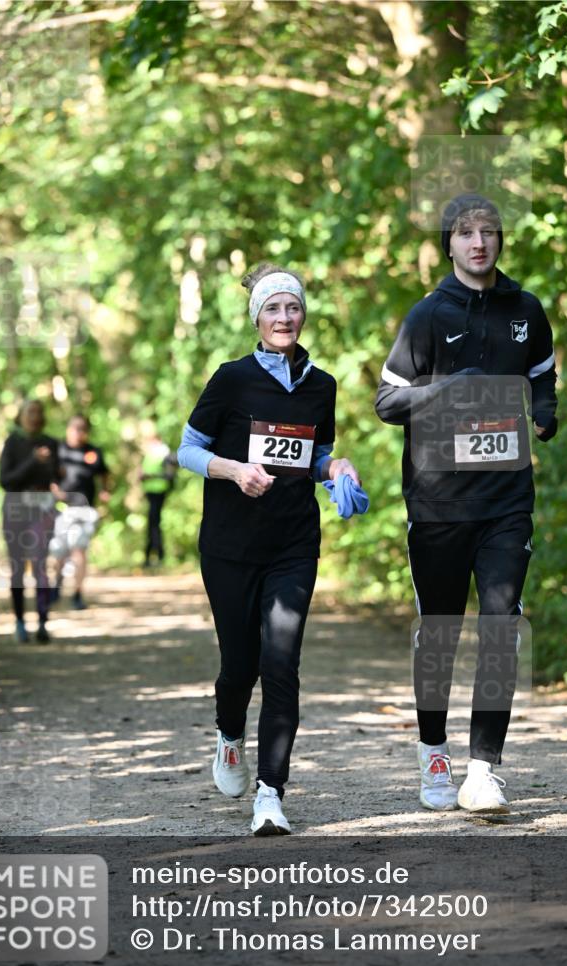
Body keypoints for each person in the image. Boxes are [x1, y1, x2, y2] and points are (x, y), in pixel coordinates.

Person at [375, 193, 558, 814]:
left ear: (500, 241)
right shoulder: (426, 317)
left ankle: (483, 770)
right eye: (465, 233)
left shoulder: (525, 309)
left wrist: (547, 410)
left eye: (488, 232)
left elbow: (541, 366)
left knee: (502, 625)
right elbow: (386, 402)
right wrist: (443, 388)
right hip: (438, 503)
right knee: (441, 635)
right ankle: (434, 753)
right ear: (449, 244)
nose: (478, 243)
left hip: (506, 500)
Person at [178, 262, 361, 836]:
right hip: (231, 546)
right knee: (241, 666)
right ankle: (229, 734)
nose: (284, 317)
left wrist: (338, 469)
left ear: (304, 314)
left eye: (293, 307)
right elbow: (186, 451)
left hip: (293, 544)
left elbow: (316, 456)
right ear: (256, 317)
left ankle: (271, 794)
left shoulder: (321, 385)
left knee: (282, 665)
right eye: (273, 308)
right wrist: (233, 471)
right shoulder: (232, 378)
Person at [0, 399, 61, 643]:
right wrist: (33, 461)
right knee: (17, 568)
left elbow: (56, 477)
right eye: (30, 412)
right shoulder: (12, 443)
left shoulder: (51, 443)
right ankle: (20, 622)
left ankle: (43, 622)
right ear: (20, 416)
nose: (35, 416)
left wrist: (55, 470)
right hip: (15, 512)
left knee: (39, 566)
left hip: (42, 512)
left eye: (38, 412)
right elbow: (5, 480)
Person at [51, 414, 110, 610]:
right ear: (68, 429)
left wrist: (104, 491)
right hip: (62, 509)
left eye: (82, 428)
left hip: (85, 509)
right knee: (59, 551)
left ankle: (77, 593)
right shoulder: (58, 450)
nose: (79, 432)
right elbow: (47, 474)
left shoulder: (93, 452)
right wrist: (54, 490)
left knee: (79, 551)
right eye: (75, 428)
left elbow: (104, 474)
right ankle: (56, 588)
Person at [140, 430, 178, 567]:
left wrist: (150, 476)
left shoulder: (164, 452)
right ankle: (152, 556)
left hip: (159, 492)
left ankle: (156, 556)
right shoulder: (151, 453)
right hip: (151, 492)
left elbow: (169, 474)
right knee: (152, 523)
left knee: (154, 524)